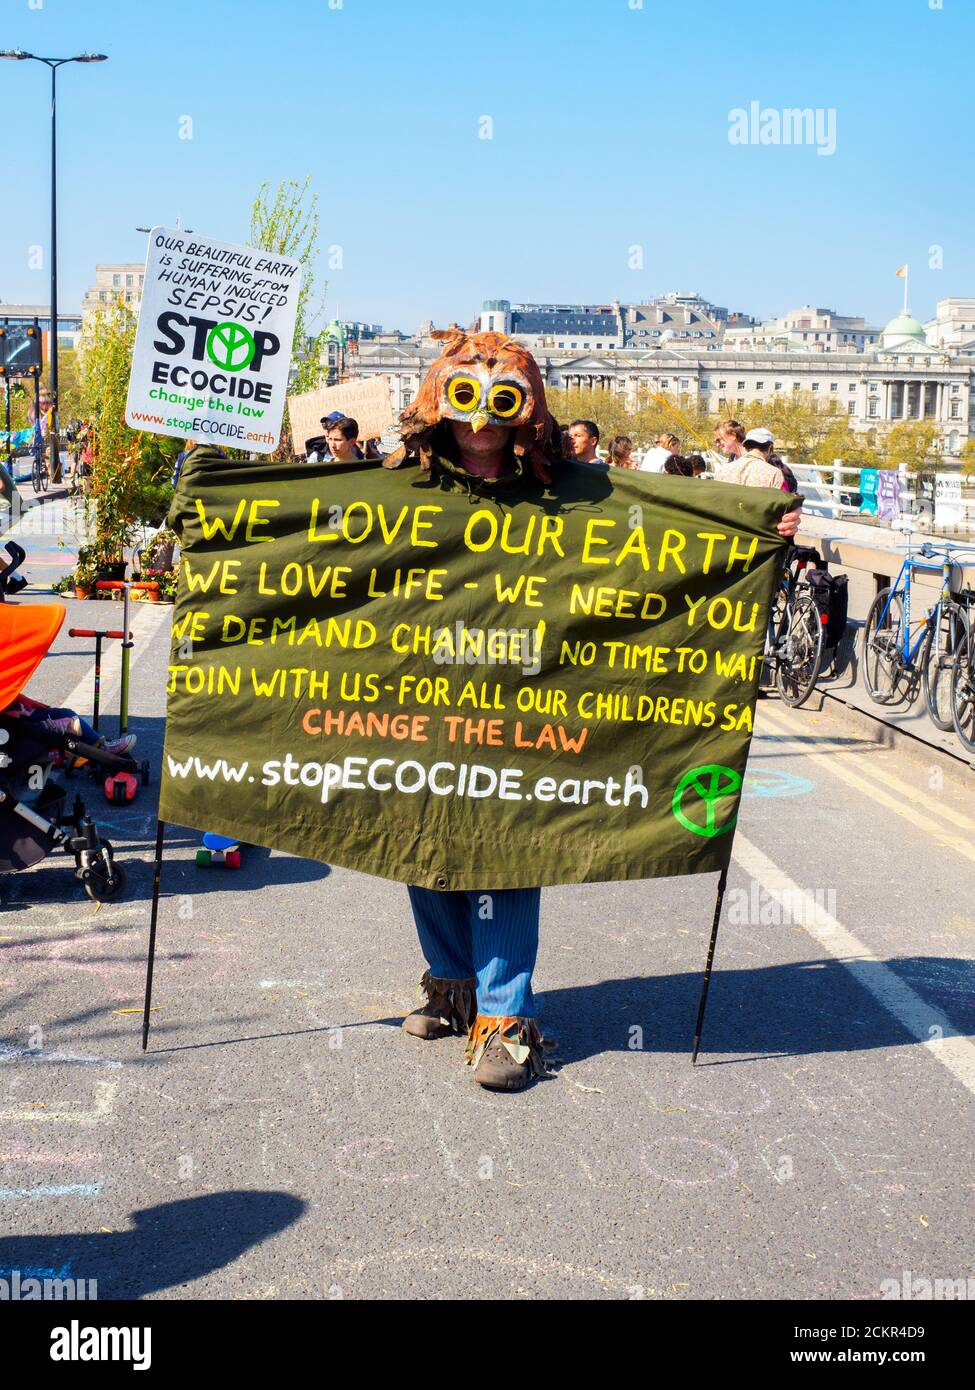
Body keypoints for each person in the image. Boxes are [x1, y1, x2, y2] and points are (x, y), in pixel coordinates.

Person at [713, 425, 803, 536]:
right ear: (770, 448)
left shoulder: (723, 470)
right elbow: (782, 507)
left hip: (727, 533)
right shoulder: (774, 473)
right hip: (757, 536)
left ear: (746, 446)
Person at [6, 692, 136, 758]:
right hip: (12, 720)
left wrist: (24, 699)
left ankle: (98, 743)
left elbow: (8, 686)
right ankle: (102, 747)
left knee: (66, 713)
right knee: (68, 722)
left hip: (18, 708)